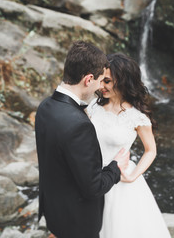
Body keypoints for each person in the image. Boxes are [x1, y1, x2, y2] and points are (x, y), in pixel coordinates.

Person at [35, 41, 130, 238]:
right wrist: (116, 166)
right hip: (77, 224)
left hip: (54, 213)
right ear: (88, 79)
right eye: (100, 80)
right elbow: (94, 187)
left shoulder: (45, 107)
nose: (99, 87)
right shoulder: (79, 125)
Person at [86, 53, 171, 238]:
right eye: (101, 80)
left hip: (120, 183)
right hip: (92, 178)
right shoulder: (93, 106)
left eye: (107, 81)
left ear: (122, 81)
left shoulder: (137, 116)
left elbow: (151, 150)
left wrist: (133, 176)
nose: (101, 86)